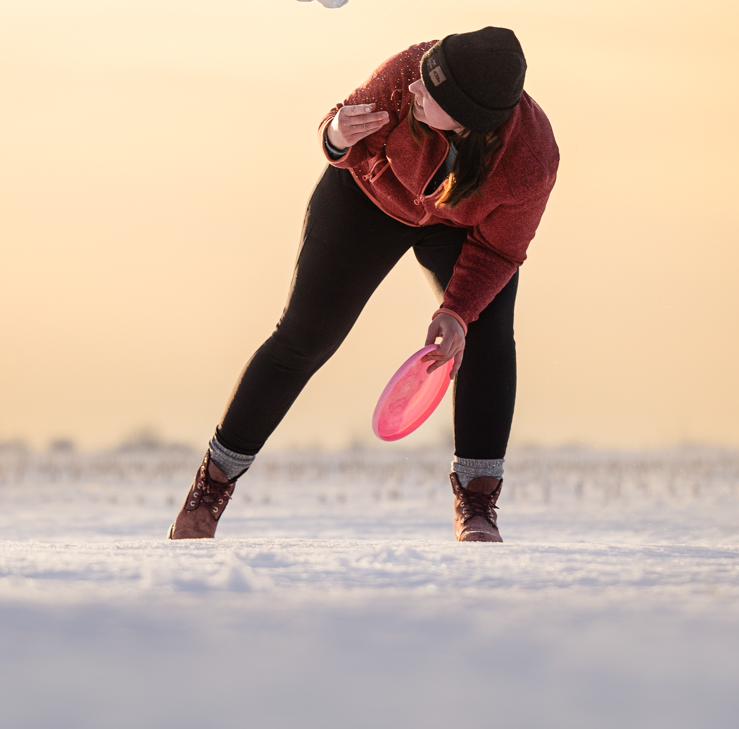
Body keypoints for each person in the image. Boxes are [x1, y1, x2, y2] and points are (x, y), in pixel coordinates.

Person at [169, 27, 558, 543]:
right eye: (420, 77)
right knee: (304, 337)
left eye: (430, 91)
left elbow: (501, 250)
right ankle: (212, 486)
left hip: (459, 226)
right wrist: (335, 136)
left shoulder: (530, 159)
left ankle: (478, 501)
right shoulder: (407, 69)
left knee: (484, 335)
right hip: (368, 197)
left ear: (467, 119)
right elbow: (340, 137)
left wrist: (457, 311)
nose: (415, 87)